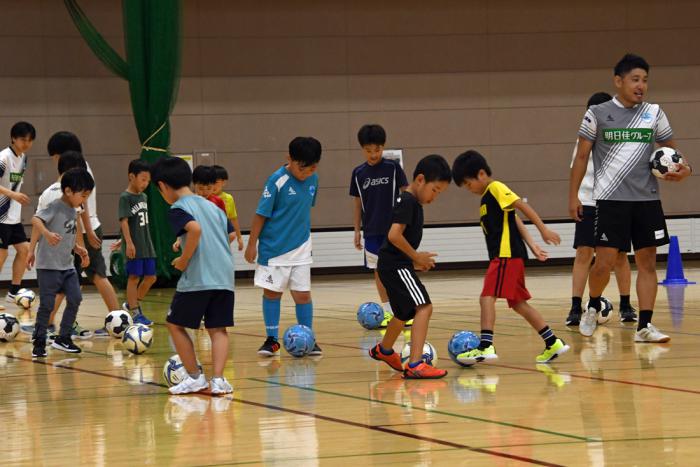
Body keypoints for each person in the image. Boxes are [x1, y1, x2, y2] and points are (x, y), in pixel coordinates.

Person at [570, 54, 692, 341]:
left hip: (647, 200)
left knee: (648, 262)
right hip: (610, 200)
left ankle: (645, 326)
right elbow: (582, 156)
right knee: (604, 263)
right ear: (619, 81)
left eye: (645, 80)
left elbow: (673, 152)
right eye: (635, 79)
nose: (641, 86)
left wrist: (686, 169)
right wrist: (574, 196)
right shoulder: (597, 113)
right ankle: (592, 304)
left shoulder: (654, 113)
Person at [452, 150, 570, 364]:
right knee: (518, 304)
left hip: (505, 257)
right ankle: (553, 342)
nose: (469, 190)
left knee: (486, 297)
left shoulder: (495, 188)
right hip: (511, 256)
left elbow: (521, 206)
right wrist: (532, 245)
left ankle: (486, 346)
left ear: (480, 174)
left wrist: (543, 230)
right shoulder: (488, 198)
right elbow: (514, 220)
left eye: (468, 184)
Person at [152, 156, 235, 395]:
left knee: (175, 324)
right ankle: (218, 380)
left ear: (162, 186)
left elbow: (195, 229)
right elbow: (228, 235)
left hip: (199, 277)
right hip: (224, 276)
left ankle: (195, 377)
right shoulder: (212, 206)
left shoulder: (178, 208)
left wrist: (184, 259)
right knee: (218, 329)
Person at [368, 154, 451, 379]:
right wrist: (416, 257)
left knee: (402, 312)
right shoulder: (408, 201)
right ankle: (415, 364)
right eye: (435, 190)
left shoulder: (410, 202)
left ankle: (384, 350)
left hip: (392, 264)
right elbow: (394, 235)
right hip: (395, 265)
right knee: (424, 307)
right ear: (421, 179)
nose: (435, 197)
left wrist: (414, 260)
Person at [245, 137, 322, 357]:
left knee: (303, 296)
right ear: (289, 158)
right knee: (272, 294)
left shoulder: (313, 179)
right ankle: (271, 340)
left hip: (301, 248)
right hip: (274, 249)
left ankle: (309, 338)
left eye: (312, 167)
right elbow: (261, 214)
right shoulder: (276, 180)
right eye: (302, 167)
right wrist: (252, 244)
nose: (306, 172)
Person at [566, 93, 637, 326]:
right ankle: (576, 306)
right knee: (584, 253)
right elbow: (575, 170)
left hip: (616, 203)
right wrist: (573, 197)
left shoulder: (621, 139)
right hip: (587, 201)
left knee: (619, 256)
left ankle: (626, 304)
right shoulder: (582, 141)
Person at [46, 132, 120, 337]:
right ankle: (51, 322)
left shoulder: (77, 171)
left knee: (95, 275)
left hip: (83, 230)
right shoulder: (82, 167)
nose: (54, 161)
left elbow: (81, 206)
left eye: (54, 156)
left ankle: (118, 319)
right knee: (72, 278)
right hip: (84, 228)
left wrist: (85, 233)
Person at [20, 150, 93, 340]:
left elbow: (73, 222)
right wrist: (32, 249)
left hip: (65, 255)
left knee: (71, 293)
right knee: (56, 295)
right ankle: (46, 327)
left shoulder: (69, 196)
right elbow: (39, 221)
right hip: (53, 259)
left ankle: (56, 327)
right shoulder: (56, 195)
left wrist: (78, 247)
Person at [350, 124, 408, 327]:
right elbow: (357, 204)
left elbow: (407, 193)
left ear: (383, 147)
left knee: (398, 270)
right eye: (368, 150)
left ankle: (404, 309)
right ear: (362, 149)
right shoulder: (358, 173)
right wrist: (357, 231)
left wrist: (407, 221)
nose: (373, 154)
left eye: (377, 150)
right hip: (372, 231)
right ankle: (388, 312)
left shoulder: (393, 168)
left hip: (393, 230)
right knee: (379, 271)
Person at [0, 121, 35, 308]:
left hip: (13, 217)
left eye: (30, 141)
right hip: (0, 216)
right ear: (13, 138)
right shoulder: (3, 158)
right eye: (23, 140)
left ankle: (13, 292)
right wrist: (13, 194)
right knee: (1, 254)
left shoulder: (24, 158)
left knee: (24, 250)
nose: (26, 144)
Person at [119, 160, 156, 325]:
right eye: (143, 179)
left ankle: (131, 303)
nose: (146, 183)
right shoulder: (125, 197)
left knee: (151, 277)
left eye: (148, 180)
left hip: (146, 243)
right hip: (134, 244)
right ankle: (135, 311)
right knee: (134, 277)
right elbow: (124, 221)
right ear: (131, 177)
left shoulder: (144, 196)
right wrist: (128, 242)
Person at [212, 165, 244, 251]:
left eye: (216, 182)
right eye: (210, 182)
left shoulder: (228, 198)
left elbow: (233, 218)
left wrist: (239, 237)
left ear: (224, 182)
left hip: (224, 237)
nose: (212, 185)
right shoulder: (204, 198)